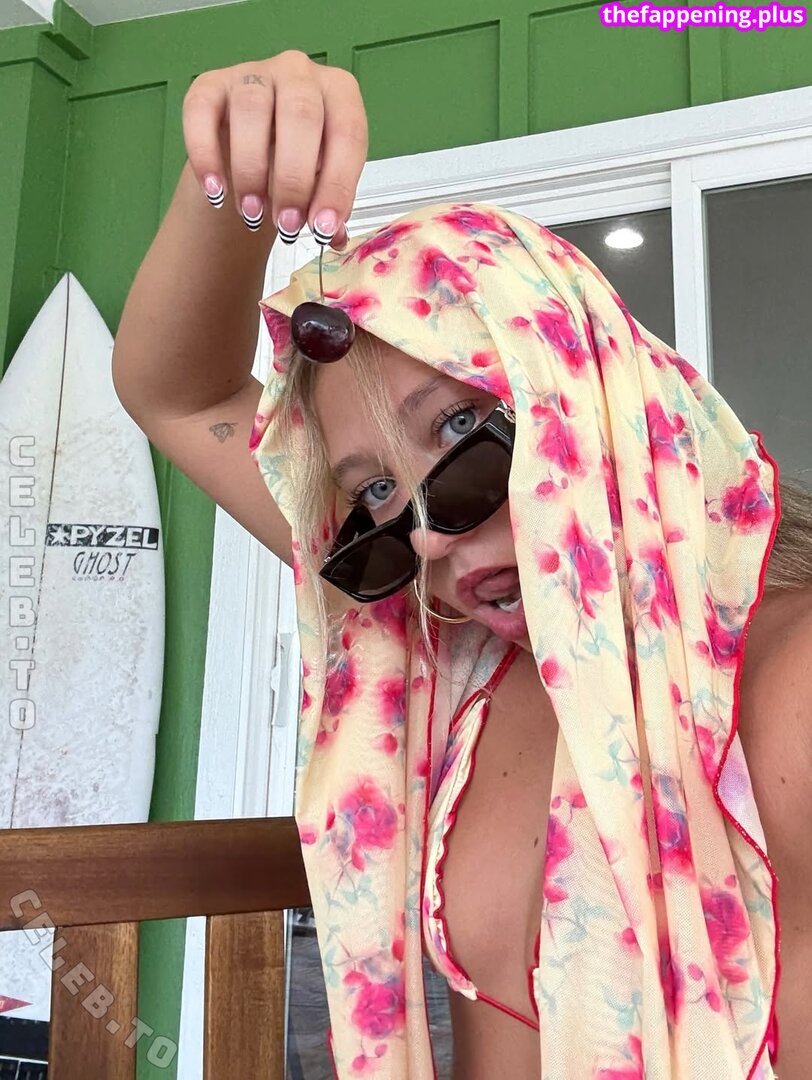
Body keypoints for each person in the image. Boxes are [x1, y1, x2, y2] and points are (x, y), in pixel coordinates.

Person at [111, 51, 812, 1080]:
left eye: (458, 427)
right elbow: (179, 395)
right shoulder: (455, 663)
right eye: (373, 499)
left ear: (591, 397)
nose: (428, 538)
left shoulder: (789, 680)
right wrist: (231, 178)